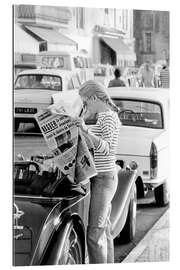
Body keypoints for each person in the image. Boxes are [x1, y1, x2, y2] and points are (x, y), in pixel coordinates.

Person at [74, 80, 121, 264]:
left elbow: (106, 148)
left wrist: (85, 129)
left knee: (94, 233)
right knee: (104, 230)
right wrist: (83, 126)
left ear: (94, 97)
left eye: (86, 101)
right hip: (102, 178)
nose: (85, 105)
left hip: (104, 179)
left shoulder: (107, 117)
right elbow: (97, 141)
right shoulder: (104, 116)